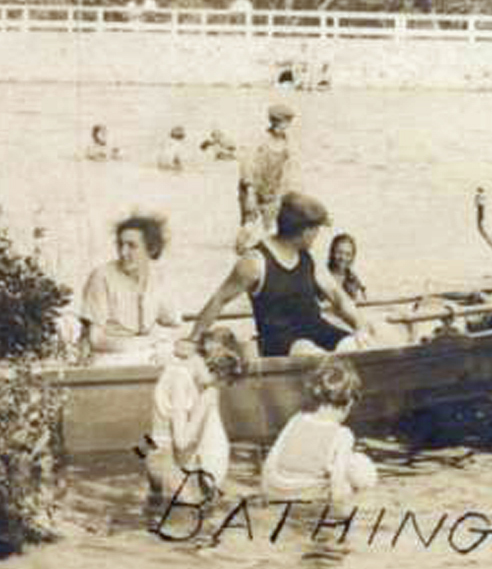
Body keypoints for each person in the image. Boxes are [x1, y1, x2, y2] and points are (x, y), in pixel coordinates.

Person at [190, 191, 373, 358]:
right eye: (316, 229)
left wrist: (360, 325)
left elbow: (338, 297)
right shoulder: (255, 262)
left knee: (357, 345)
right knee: (309, 351)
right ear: (305, 232)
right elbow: (219, 299)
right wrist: (192, 340)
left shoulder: (309, 259)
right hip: (279, 342)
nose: (317, 235)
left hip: (317, 330)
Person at [142, 326, 245, 497]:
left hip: (157, 460)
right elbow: (181, 441)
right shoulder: (182, 383)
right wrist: (203, 407)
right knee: (193, 517)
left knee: (157, 515)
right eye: (216, 377)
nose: (210, 383)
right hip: (170, 465)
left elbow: (159, 431)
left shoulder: (172, 372)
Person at [261, 358, 377, 505]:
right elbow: (337, 483)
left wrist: (267, 492)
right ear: (349, 403)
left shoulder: (296, 419)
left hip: (276, 488)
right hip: (307, 493)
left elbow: (270, 462)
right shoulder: (343, 434)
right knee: (358, 477)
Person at [79, 214, 181, 366]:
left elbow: (173, 320)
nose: (123, 252)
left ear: (151, 249)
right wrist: (144, 343)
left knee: (184, 367)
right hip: (110, 358)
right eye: (120, 245)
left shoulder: (157, 277)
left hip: (147, 353)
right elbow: (96, 339)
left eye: (131, 246)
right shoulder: (101, 277)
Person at [236, 103, 301, 253]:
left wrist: (285, 195)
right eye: (282, 122)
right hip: (251, 188)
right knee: (249, 223)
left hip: (271, 191)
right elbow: (247, 165)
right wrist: (250, 193)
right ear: (273, 122)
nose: (284, 126)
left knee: (271, 228)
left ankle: (267, 255)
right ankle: (238, 254)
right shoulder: (260, 140)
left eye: (287, 123)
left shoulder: (287, 142)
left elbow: (288, 170)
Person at [325, 232, 367, 303]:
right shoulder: (322, 275)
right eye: (339, 252)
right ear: (332, 253)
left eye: (348, 254)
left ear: (352, 257)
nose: (343, 258)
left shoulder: (354, 280)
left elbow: (361, 302)